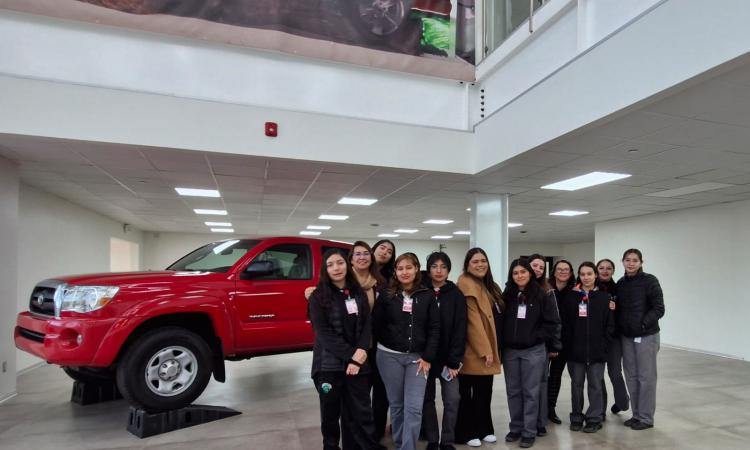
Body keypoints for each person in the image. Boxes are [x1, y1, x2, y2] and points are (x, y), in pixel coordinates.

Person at [309, 249, 383, 450]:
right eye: (330, 264)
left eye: (339, 263)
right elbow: (323, 334)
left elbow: (367, 324)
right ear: (325, 269)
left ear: (347, 264)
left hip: (358, 365)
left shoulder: (357, 292)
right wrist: (352, 355)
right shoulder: (317, 296)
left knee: (361, 412)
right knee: (330, 415)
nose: (336, 268)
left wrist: (360, 352)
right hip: (329, 367)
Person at [374, 253, 440, 450]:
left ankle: (408, 447)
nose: (404, 272)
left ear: (417, 269)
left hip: (418, 359)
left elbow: (435, 328)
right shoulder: (386, 294)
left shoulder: (427, 295)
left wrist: (428, 356)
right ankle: (402, 444)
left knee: (414, 407)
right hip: (388, 356)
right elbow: (375, 324)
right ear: (395, 271)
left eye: (409, 267)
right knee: (397, 405)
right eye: (400, 268)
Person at [501, 258, 560, 449]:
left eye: (523, 272)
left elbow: (551, 323)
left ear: (530, 273)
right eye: (516, 273)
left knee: (531, 392)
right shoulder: (507, 295)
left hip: (533, 351)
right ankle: (515, 427)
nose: (520, 276)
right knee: (513, 391)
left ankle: (529, 431)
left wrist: (535, 337)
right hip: (511, 351)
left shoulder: (541, 295)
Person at [454, 248, 503, 448]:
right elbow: (472, 322)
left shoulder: (487, 285)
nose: (480, 264)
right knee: (468, 394)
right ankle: (466, 432)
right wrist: (486, 350)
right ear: (467, 265)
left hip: (490, 347)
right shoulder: (466, 285)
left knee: (484, 391)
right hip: (474, 351)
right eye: (475, 261)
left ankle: (484, 429)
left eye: (483, 260)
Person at [420, 252, 467, 450]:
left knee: (452, 399)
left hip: (449, 360)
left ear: (449, 270)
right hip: (426, 359)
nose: (439, 271)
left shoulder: (455, 294)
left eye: (443, 267)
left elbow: (460, 328)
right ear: (428, 269)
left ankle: (447, 440)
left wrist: (454, 361)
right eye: (434, 266)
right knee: (426, 399)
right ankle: (432, 439)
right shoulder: (421, 292)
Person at [560, 262, 615, 433]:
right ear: (578, 275)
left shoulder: (605, 298)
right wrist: (569, 346)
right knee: (576, 386)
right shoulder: (570, 297)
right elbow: (565, 324)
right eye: (582, 274)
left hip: (597, 352)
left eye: (589, 273)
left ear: (595, 275)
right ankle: (576, 416)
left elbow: (610, 325)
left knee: (595, 386)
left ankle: (594, 418)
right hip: (575, 353)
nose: (586, 277)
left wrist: (604, 345)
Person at [616, 249, 665, 430]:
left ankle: (646, 418)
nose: (631, 263)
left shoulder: (650, 281)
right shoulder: (621, 283)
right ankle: (636, 415)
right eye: (627, 260)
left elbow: (659, 308)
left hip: (647, 336)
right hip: (627, 337)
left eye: (634, 260)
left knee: (646, 378)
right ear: (622, 261)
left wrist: (643, 324)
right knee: (631, 376)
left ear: (641, 262)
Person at [526, 253, 558, 437]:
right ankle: (527, 420)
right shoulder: (517, 288)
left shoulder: (547, 290)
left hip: (541, 346)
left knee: (540, 383)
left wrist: (553, 345)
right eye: (534, 265)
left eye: (540, 267)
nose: (537, 269)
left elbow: (554, 321)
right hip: (521, 346)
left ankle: (540, 421)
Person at [597, 258, 630, 418]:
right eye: (601, 268)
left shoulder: (619, 289)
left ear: (613, 271)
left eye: (608, 268)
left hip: (614, 338)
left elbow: (625, 311)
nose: (605, 271)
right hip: (595, 338)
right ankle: (600, 409)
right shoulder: (591, 288)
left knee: (615, 372)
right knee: (597, 375)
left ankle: (622, 402)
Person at [547, 259, 575, 425]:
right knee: (542, 377)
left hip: (564, 342)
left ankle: (551, 408)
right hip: (546, 341)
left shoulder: (575, 291)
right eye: (560, 269)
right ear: (554, 272)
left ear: (571, 273)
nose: (563, 272)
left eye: (566, 270)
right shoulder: (547, 290)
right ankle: (540, 408)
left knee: (555, 375)